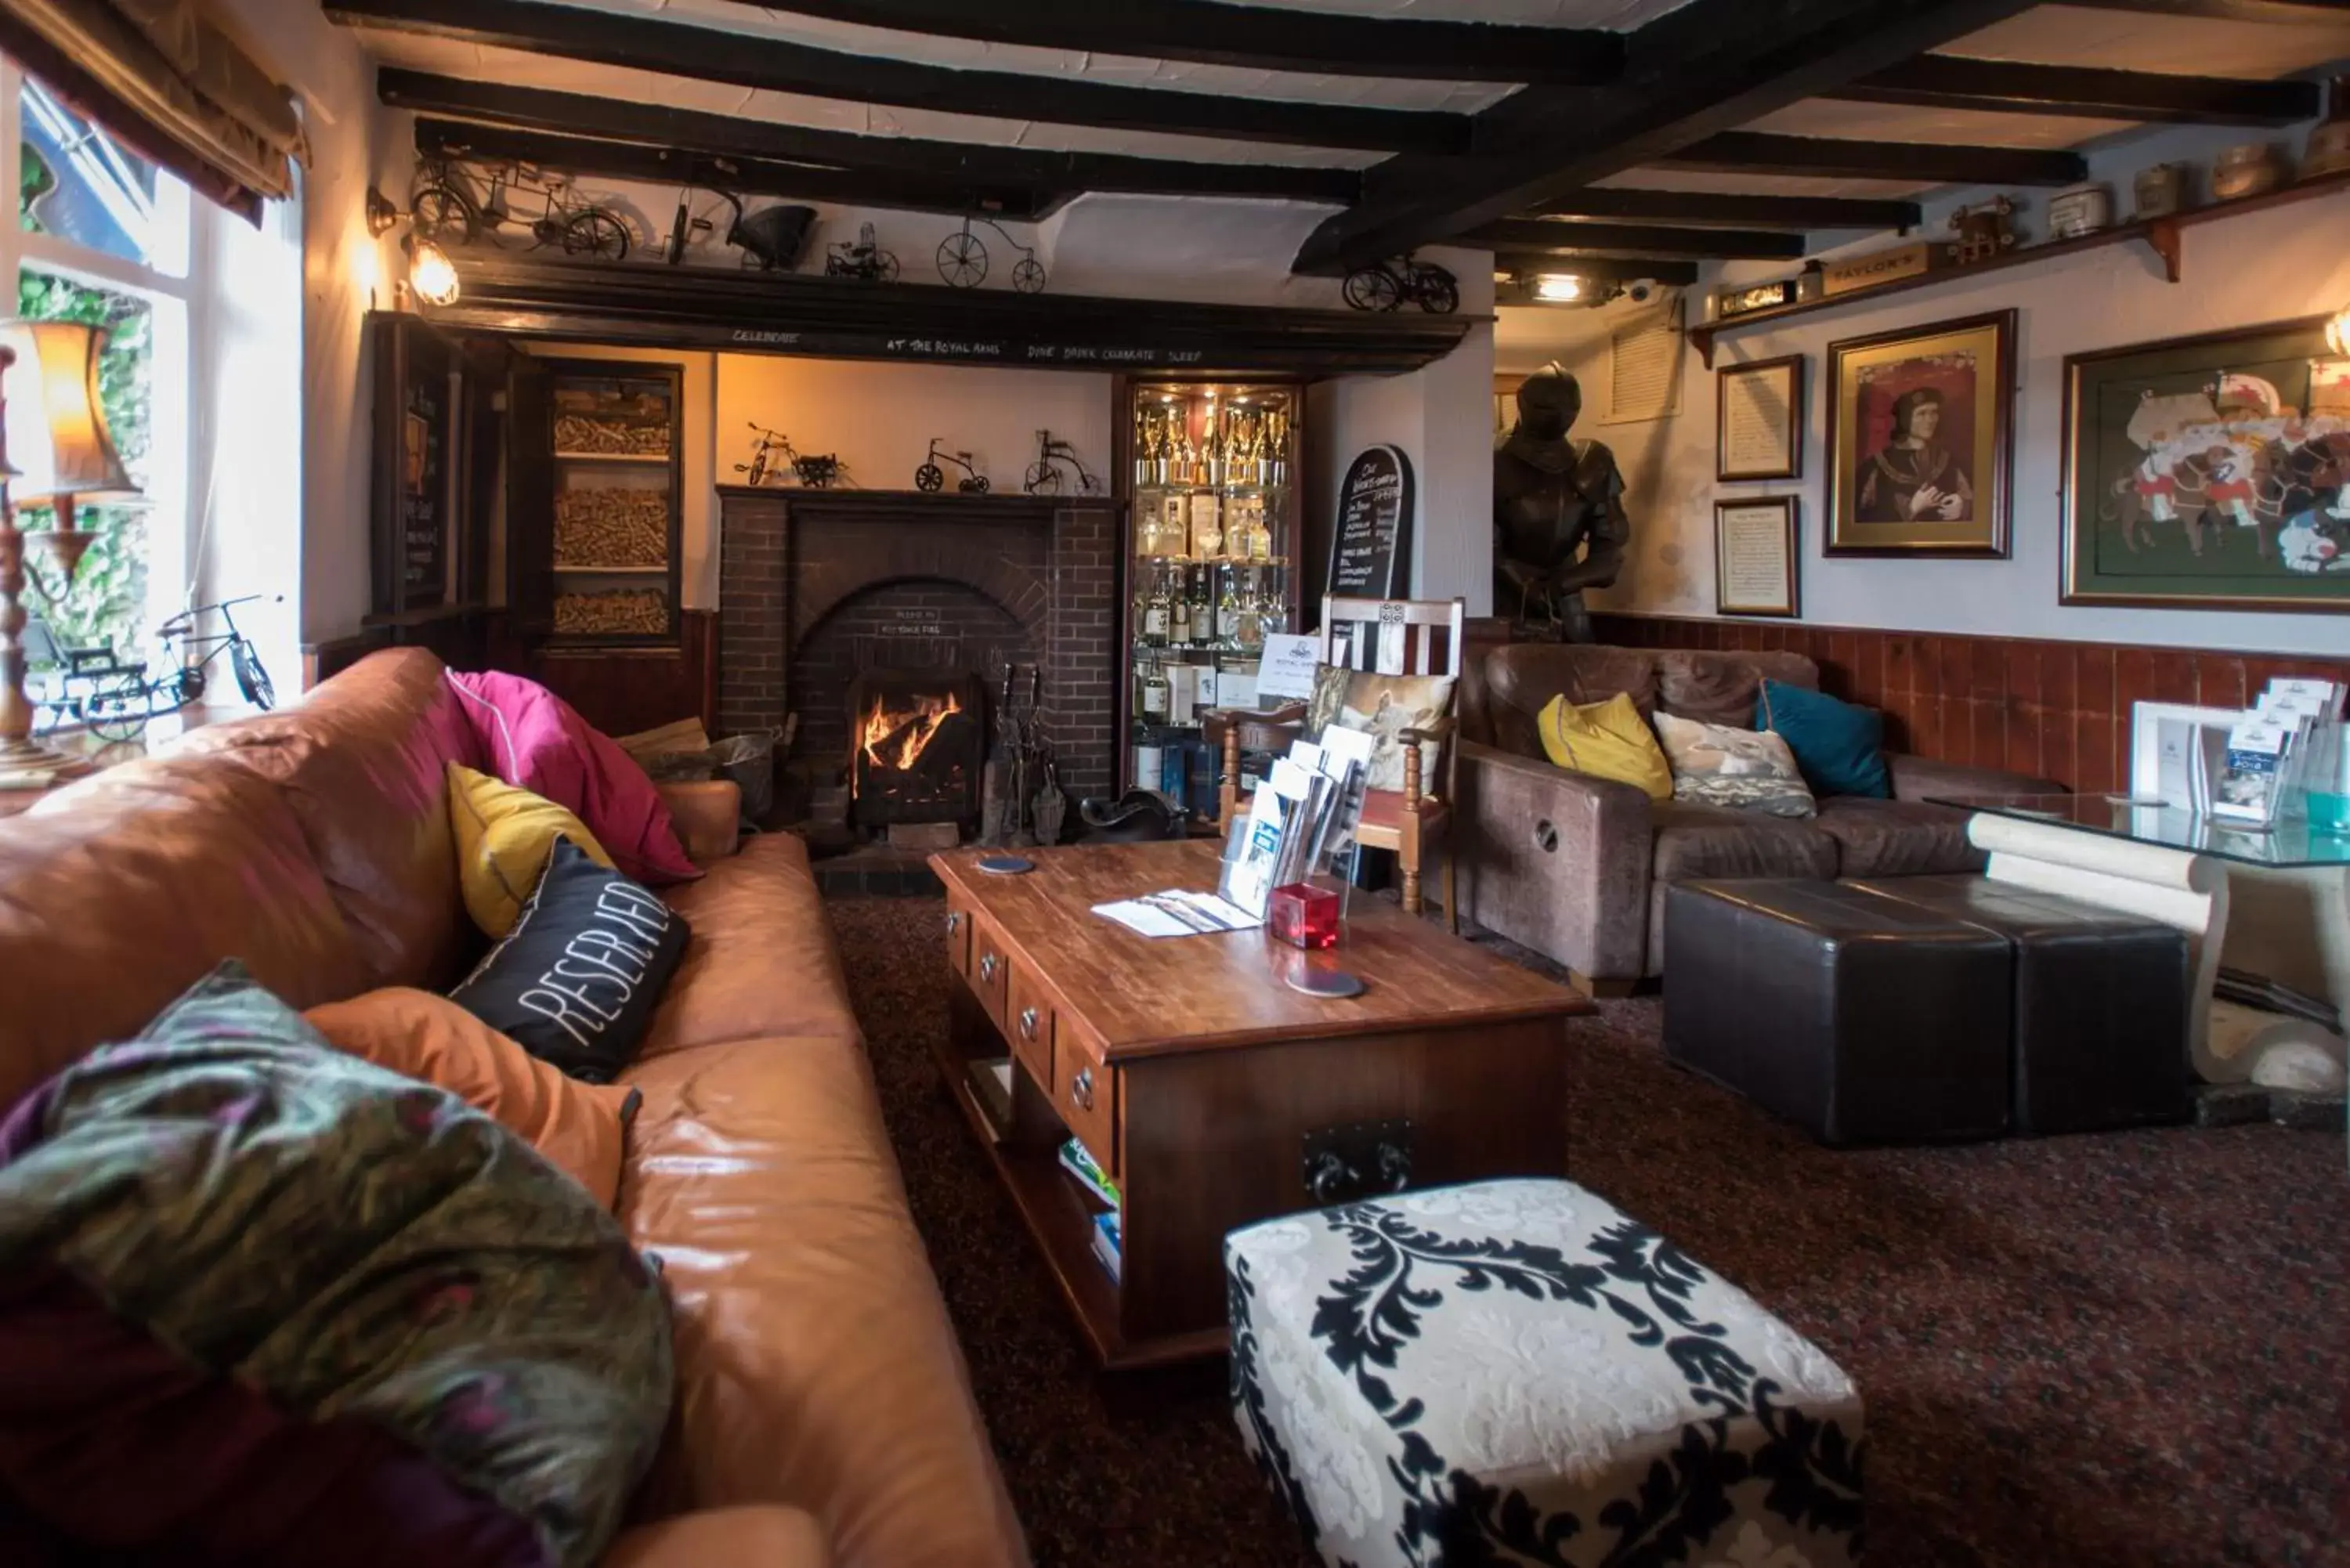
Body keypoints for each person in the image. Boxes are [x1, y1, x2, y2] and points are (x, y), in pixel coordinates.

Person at [1493, 363, 1630, 642]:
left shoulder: (1593, 461)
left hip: (1567, 602)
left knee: (1579, 677)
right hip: (1502, 597)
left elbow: (1610, 550)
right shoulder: (1493, 458)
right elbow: (1483, 543)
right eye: (1545, 408)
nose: (1556, 417)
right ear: (1523, 403)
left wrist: (1563, 584)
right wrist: (1523, 583)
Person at [1856, 387, 1972, 524]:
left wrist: (1963, 506)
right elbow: (1861, 519)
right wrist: (1911, 509)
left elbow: (1975, 504)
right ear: (1905, 419)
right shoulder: (1876, 466)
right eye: (1921, 414)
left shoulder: (1948, 461)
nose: (1930, 420)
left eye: (1934, 412)